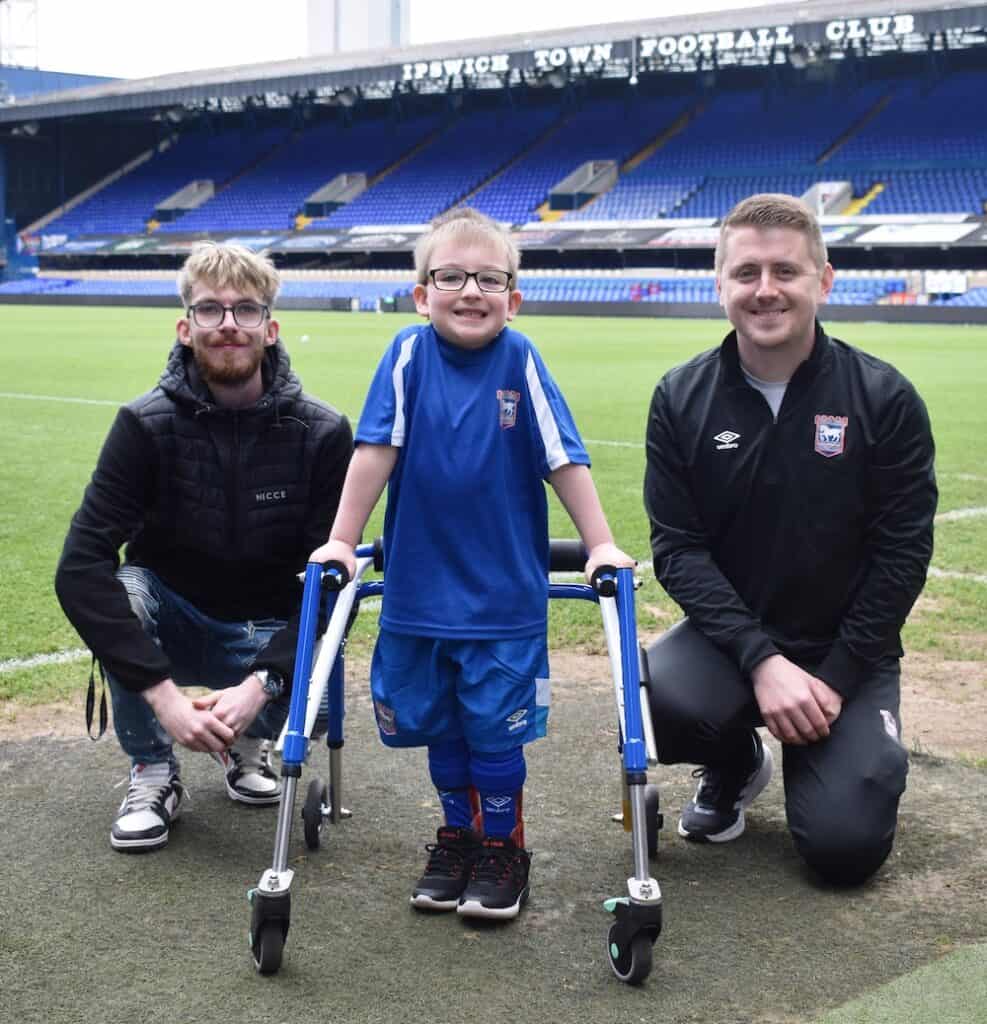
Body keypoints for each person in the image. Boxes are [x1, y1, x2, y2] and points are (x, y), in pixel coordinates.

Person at [306, 207, 633, 920]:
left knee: (493, 734)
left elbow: (562, 457)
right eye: (449, 276)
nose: (470, 291)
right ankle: (457, 834)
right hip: (418, 599)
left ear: (512, 298)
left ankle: (502, 847)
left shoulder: (520, 359)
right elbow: (374, 450)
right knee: (444, 734)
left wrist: (600, 543)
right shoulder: (404, 354)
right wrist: (340, 538)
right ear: (421, 293)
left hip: (501, 603)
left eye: (489, 278)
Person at [643, 193, 937, 885]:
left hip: (847, 655)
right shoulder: (680, 397)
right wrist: (761, 661)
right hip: (734, 644)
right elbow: (677, 550)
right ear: (720, 284)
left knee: (843, 853)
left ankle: (838, 754)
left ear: (822, 280)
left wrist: (831, 680)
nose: (765, 290)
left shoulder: (883, 397)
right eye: (745, 273)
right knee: (651, 703)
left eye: (785, 271)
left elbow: (902, 554)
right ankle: (735, 761)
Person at [54, 241, 353, 853]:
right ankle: (154, 769)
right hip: (177, 618)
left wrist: (262, 684)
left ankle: (248, 745)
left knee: (320, 655)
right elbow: (80, 566)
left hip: (263, 633)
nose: (228, 326)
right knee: (126, 591)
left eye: (245, 311)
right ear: (185, 327)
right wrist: (166, 701)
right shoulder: (143, 425)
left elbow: (334, 578)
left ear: (270, 329)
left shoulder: (322, 433)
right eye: (210, 310)